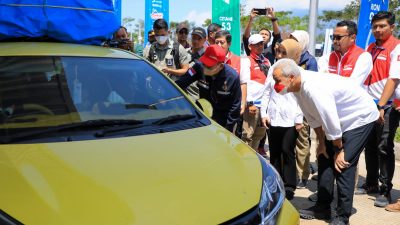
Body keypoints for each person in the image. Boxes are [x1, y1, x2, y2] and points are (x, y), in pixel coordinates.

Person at [272, 58, 378, 225]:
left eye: (277, 80)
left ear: (291, 77)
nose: (275, 84)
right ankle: (323, 207)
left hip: (360, 118)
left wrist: (338, 149)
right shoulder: (298, 87)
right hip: (339, 120)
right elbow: (314, 118)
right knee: (323, 158)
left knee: (343, 165)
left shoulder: (314, 88)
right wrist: (321, 143)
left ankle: (342, 217)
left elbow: (330, 119)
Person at [357, 11, 400, 208]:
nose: (378, 30)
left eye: (382, 26)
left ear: (392, 27)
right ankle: (371, 183)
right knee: (370, 145)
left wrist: (381, 106)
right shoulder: (371, 47)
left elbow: (394, 79)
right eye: (375, 26)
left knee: (384, 146)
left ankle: (385, 190)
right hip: (369, 102)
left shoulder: (397, 47)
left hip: (388, 105)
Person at [261, 39, 304, 200]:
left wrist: (299, 119)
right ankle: (276, 182)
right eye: (278, 51)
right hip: (273, 117)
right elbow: (266, 93)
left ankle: (289, 185)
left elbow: (301, 97)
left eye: (284, 52)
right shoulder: (273, 69)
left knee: (287, 151)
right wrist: (263, 114)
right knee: (275, 152)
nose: (279, 55)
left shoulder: (297, 71)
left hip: (291, 119)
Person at [176, 45, 241, 132]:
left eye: (209, 66)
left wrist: (227, 129)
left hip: (223, 121)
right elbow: (180, 83)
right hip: (203, 117)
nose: (204, 68)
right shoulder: (198, 67)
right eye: (204, 63)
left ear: (220, 66)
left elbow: (235, 106)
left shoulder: (232, 77)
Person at [288, 30, 318, 189]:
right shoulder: (287, 59)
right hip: (287, 106)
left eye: (295, 41)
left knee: (302, 141)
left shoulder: (310, 61)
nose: (292, 43)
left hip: (303, 106)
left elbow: (310, 86)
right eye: (291, 40)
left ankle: (302, 174)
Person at [240, 34, 271, 152]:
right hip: (252, 105)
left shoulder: (267, 61)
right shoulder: (246, 61)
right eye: (256, 44)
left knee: (259, 134)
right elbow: (244, 83)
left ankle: (254, 158)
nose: (260, 46)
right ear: (249, 46)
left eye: (261, 43)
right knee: (247, 135)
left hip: (264, 106)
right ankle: (245, 160)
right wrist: (249, 103)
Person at [215, 30, 249, 137]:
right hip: (215, 108)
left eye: (222, 42)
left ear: (229, 44)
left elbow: (243, 83)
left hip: (232, 108)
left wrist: (243, 103)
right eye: (216, 42)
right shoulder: (210, 59)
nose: (219, 45)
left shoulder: (239, 61)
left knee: (232, 137)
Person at [328, 20, 373, 87]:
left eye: (338, 37)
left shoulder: (364, 57)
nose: (334, 41)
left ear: (352, 38)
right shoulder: (326, 58)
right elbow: (323, 83)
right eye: (333, 37)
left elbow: (352, 86)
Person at [185, 27, 207, 100]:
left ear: (205, 39)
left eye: (199, 39)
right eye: (194, 38)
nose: (196, 41)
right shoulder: (184, 52)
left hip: (198, 98)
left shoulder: (207, 56)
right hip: (183, 96)